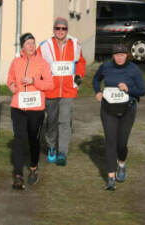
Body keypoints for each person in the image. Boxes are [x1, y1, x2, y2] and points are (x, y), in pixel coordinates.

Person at [92, 43, 145, 191]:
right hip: (108, 108)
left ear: (127, 55)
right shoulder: (106, 67)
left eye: (122, 54)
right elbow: (96, 79)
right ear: (113, 56)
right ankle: (110, 178)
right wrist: (97, 91)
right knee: (110, 142)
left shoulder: (133, 69)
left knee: (121, 144)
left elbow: (142, 91)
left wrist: (128, 89)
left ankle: (121, 163)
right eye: (116, 55)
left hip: (127, 109)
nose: (119, 57)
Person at [7, 33, 54, 189]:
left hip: (36, 108)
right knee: (19, 139)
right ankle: (18, 175)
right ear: (22, 47)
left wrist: (34, 81)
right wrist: (12, 86)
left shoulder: (42, 63)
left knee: (33, 139)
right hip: (18, 107)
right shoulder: (15, 62)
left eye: (33, 43)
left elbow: (49, 85)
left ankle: (33, 168)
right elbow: (10, 79)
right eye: (28, 44)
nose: (31, 46)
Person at [37, 17, 86, 166]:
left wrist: (79, 76)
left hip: (68, 90)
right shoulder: (45, 46)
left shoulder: (75, 44)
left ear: (67, 30)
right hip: (50, 90)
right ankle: (52, 146)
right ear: (54, 30)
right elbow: (38, 65)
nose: (60, 31)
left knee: (64, 121)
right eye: (57, 28)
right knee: (51, 121)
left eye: (63, 28)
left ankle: (62, 152)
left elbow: (81, 62)